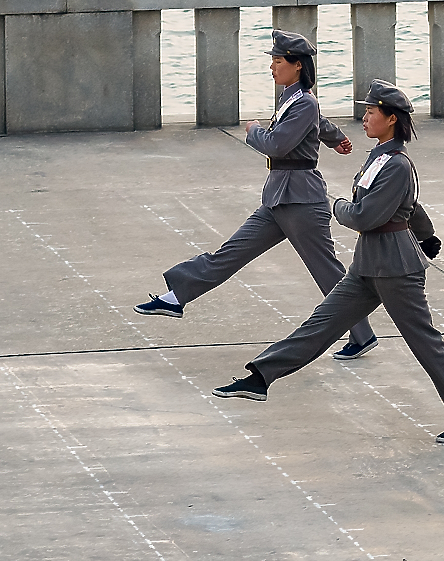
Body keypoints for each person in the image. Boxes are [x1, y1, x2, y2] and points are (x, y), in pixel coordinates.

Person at [210, 82, 444, 445]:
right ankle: (260, 378)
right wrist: (427, 234)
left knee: (425, 343)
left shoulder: (397, 164)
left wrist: (335, 205)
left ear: (391, 119)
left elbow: (366, 215)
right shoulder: (381, 157)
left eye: (371, 112)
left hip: (396, 268)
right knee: (321, 324)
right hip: (368, 265)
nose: (365, 117)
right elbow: (410, 205)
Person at [134, 30, 380, 363]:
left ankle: (362, 335)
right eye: (273, 62)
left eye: (278, 62)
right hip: (279, 198)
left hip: (302, 202)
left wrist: (254, 132)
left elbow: (278, 144)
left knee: (328, 272)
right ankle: (176, 297)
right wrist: (335, 138)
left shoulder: (303, 101)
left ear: (297, 66)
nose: (272, 68)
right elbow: (317, 123)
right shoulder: (293, 98)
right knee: (231, 253)